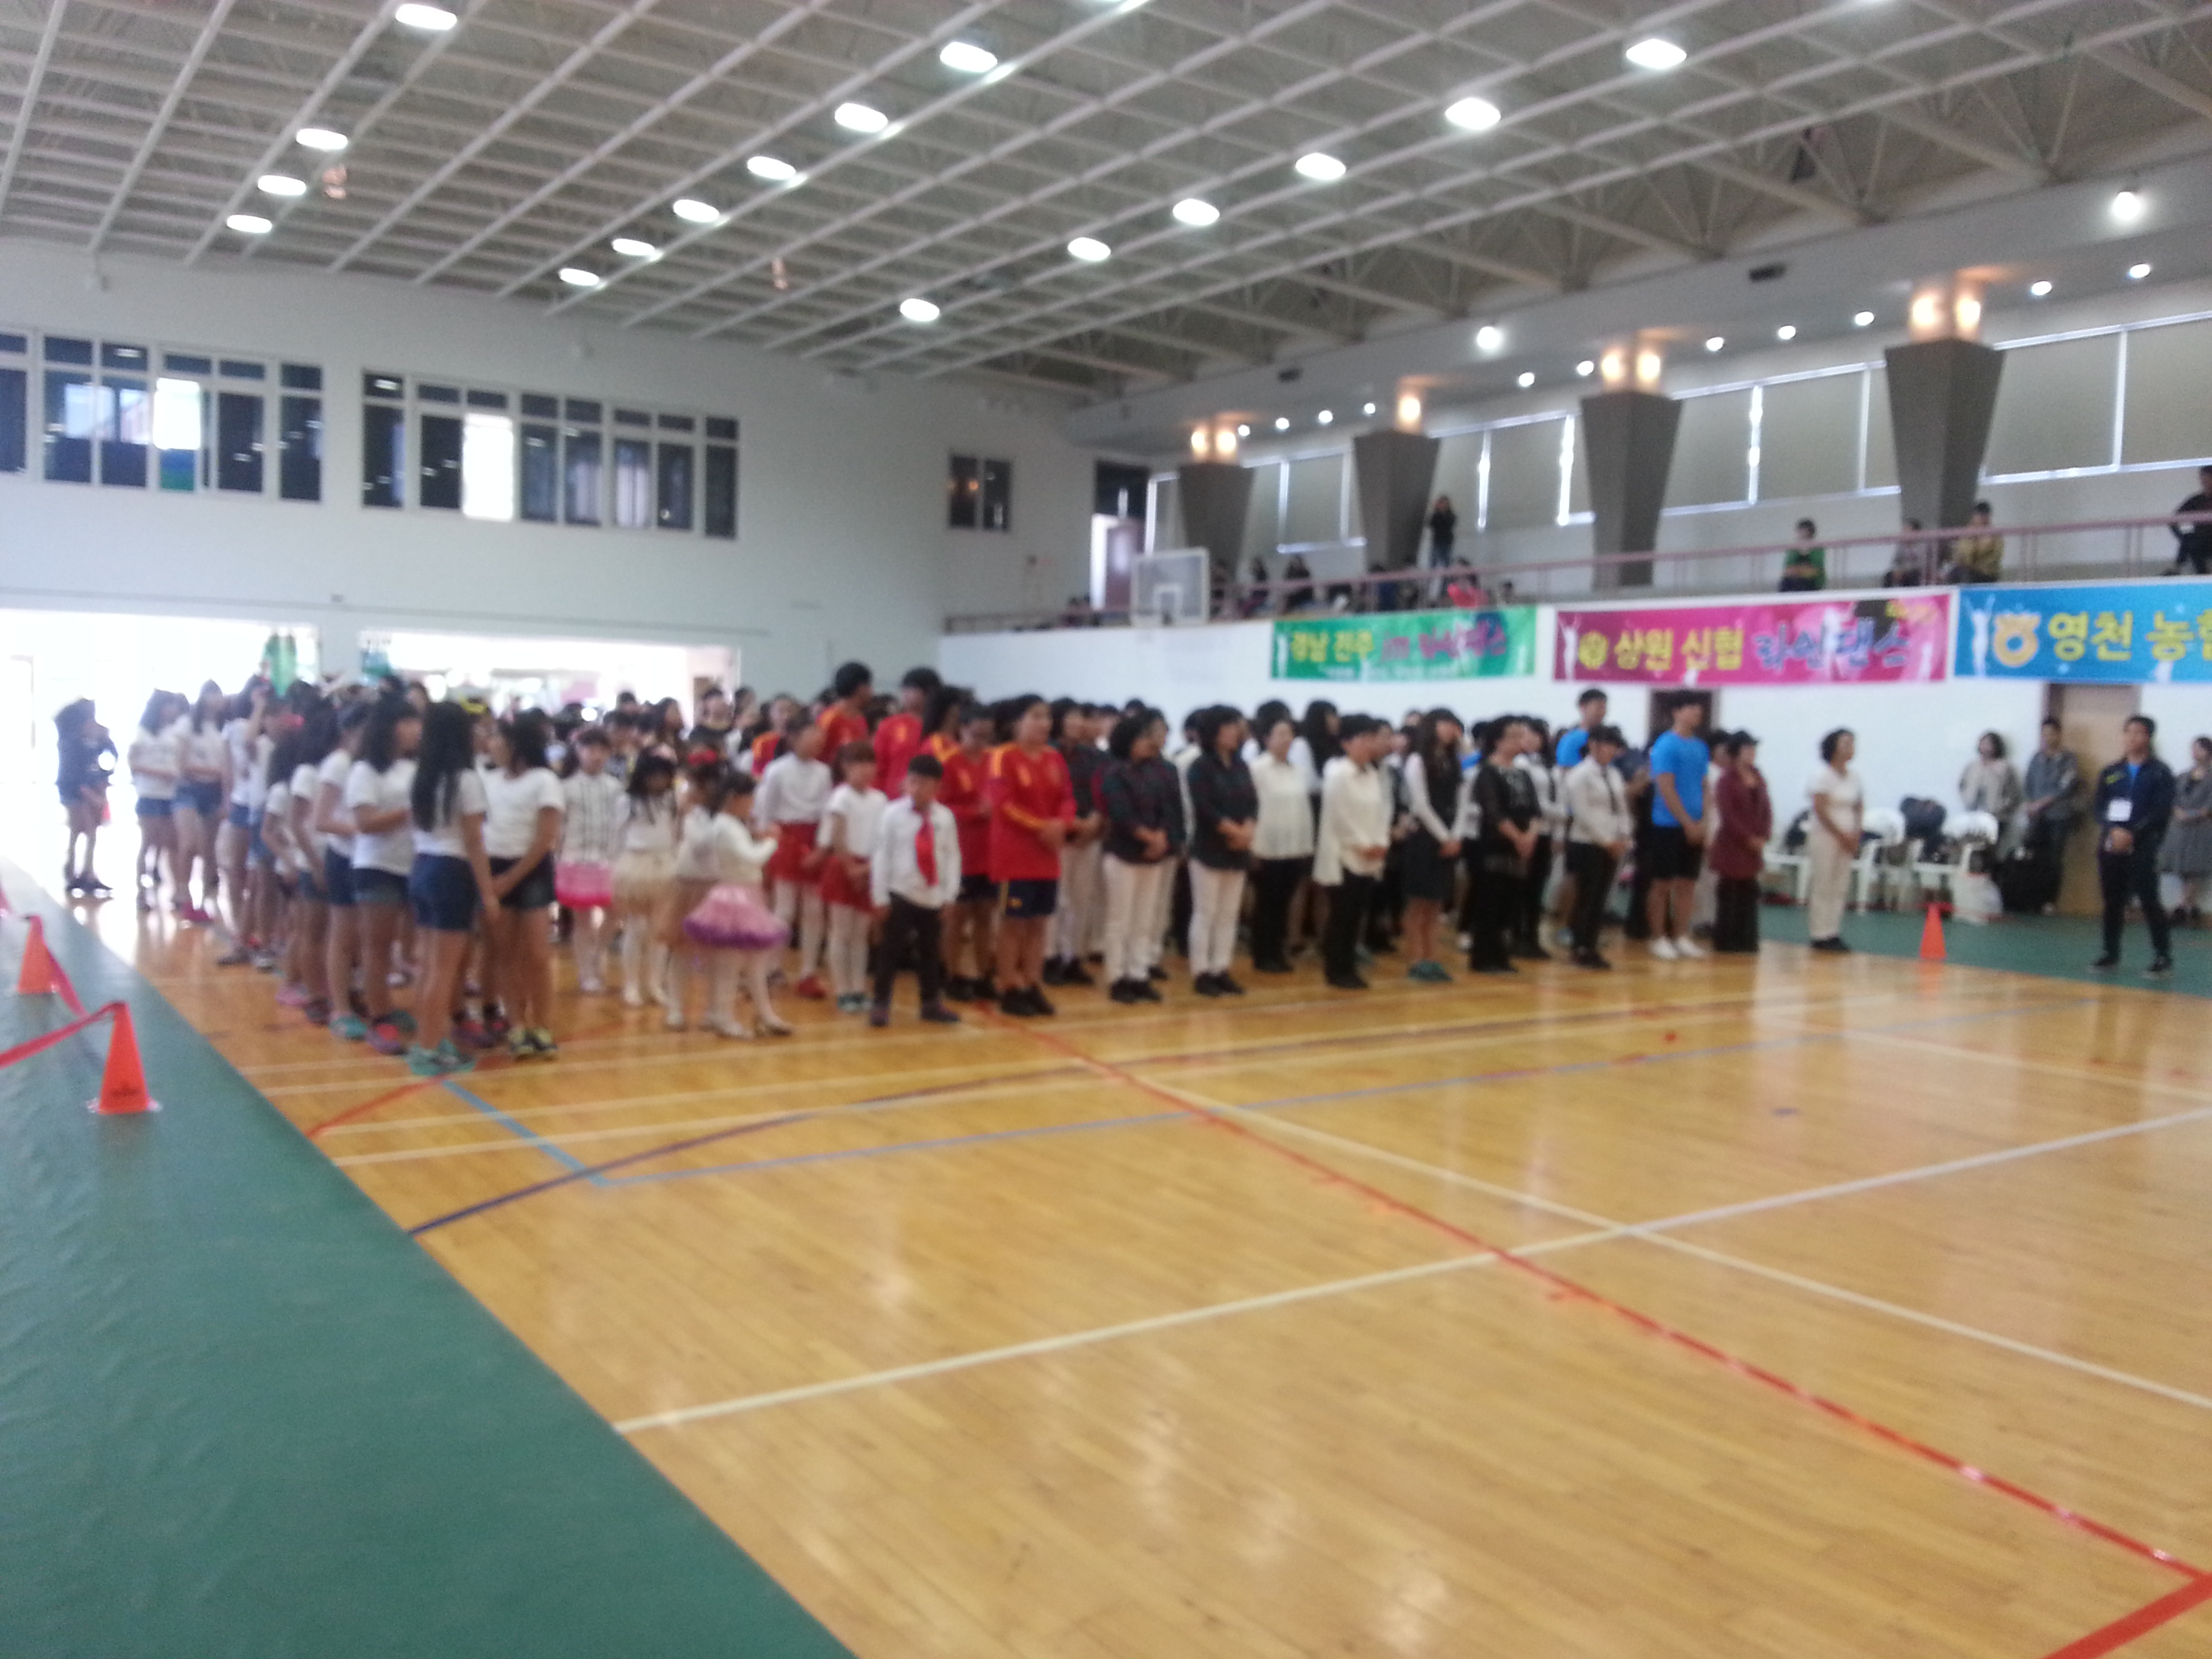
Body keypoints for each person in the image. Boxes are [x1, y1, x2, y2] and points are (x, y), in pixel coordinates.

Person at [404, 701, 501, 1078]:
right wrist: (488, 893)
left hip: (423, 866)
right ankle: (429, 1048)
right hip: (451, 871)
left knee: (430, 965)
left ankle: (429, 1038)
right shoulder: (466, 780)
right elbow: (474, 841)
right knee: (444, 971)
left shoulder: (421, 776)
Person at [676, 769, 790, 1038]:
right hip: (735, 898)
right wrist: (772, 842)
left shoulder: (731, 824)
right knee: (730, 963)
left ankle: (764, 1013)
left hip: (747, 895)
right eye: (749, 798)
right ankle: (723, 1016)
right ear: (734, 798)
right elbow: (752, 858)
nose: (752, 804)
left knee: (755, 962)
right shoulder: (726, 826)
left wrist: (761, 838)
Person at [987, 694, 1078, 1016]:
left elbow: (1067, 798)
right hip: (1015, 855)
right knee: (1013, 923)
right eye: (1036, 716)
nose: (1044, 723)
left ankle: (1032, 983)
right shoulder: (1002, 757)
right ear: (1017, 722)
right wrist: (1044, 827)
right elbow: (1004, 804)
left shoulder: (1054, 757)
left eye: (1047, 717)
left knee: (1040, 923)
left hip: (1047, 855)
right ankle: (1009, 986)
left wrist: (1062, 823)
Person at [483, 711, 565, 1060]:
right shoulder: (489, 780)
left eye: (498, 738)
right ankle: (516, 1024)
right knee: (506, 953)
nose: (492, 744)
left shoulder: (544, 781)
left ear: (516, 744)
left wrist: (510, 878)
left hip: (530, 870)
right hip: (495, 867)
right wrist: (491, 878)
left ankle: (542, 1025)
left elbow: (546, 838)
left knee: (537, 954)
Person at [344, 697, 422, 1054]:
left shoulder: (412, 768)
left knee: (409, 945)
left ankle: (389, 1006)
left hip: (412, 864)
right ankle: (379, 1017)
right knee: (378, 947)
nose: (416, 730)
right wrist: (409, 812)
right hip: (377, 867)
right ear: (390, 727)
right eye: (408, 723)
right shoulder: (365, 771)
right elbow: (365, 823)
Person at [868, 754, 963, 1028]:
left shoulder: (945, 817)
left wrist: (950, 895)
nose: (917, 788)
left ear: (937, 787)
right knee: (890, 951)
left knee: (930, 952)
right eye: (913, 781)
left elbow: (952, 856)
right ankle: (881, 1003)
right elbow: (882, 856)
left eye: (924, 783)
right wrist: (880, 896)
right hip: (900, 891)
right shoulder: (892, 814)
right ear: (906, 782)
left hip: (932, 894)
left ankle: (930, 1002)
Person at [1097, 708, 1182, 1004]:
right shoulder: (1114, 772)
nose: (1150, 742)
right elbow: (1121, 814)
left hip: (1153, 854)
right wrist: (1148, 837)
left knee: (1144, 918)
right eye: (1143, 737)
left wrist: (1161, 836)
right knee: (1120, 919)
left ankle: (1138, 973)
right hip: (1123, 853)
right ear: (1128, 740)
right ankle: (1117, 976)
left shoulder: (1154, 772)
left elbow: (1167, 809)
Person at [2091, 715, 2175, 975]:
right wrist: (2113, 830)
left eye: (2138, 732)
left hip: (2143, 844)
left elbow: (2160, 811)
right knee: (2112, 901)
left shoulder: (2160, 772)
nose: (2132, 737)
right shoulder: (2111, 772)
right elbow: (2099, 807)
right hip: (2112, 843)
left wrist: (2133, 834)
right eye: (2128, 732)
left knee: (2149, 900)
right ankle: (2110, 953)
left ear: (2148, 737)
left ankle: (2162, 956)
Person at [756, 717, 833, 999]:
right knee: (785, 909)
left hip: (813, 838)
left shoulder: (824, 772)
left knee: (814, 910)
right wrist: (768, 843)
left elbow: (827, 812)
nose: (818, 743)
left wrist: (822, 847)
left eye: (820, 739)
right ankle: (772, 967)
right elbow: (766, 812)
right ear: (793, 739)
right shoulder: (776, 770)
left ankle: (808, 972)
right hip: (786, 838)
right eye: (812, 737)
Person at [1314, 715, 1391, 990]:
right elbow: (1339, 816)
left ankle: (1349, 966)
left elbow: (1381, 812)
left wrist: (1380, 841)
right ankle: (1336, 969)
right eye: (1364, 738)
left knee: (1357, 914)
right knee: (1342, 915)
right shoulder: (1338, 773)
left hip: (1370, 853)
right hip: (1344, 855)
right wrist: (1361, 844)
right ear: (1346, 743)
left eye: (1372, 738)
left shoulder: (1372, 774)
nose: (1370, 744)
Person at [1186, 705, 1257, 997]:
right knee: (1206, 912)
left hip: (1238, 849)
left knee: (1229, 914)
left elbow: (1252, 802)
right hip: (1209, 847)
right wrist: (1233, 831)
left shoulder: (1241, 765)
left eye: (1236, 727)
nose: (1236, 732)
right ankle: (1201, 971)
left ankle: (1221, 968)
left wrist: (1248, 829)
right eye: (1229, 727)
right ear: (1214, 732)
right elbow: (1204, 807)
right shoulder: (1200, 766)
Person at [933, 695, 1000, 1002]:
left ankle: (984, 974)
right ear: (962, 730)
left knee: (985, 914)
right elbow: (939, 807)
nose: (982, 742)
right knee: (957, 917)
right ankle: (950, 973)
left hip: (989, 852)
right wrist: (975, 812)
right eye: (976, 735)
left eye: (987, 736)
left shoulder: (995, 761)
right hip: (959, 852)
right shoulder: (948, 762)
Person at [314, 701, 370, 1036]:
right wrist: (363, 830)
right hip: (344, 857)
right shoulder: (338, 764)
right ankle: (340, 1006)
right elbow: (321, 819)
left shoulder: (371, 764)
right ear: (349, 732)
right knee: (343, 933)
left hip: (369, 858)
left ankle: (358, 994)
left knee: (365, 936)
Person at [821, 741, 888, 1015]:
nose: (866, 769)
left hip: (869, 866)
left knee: (860, 935)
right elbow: (838, 837)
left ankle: (858, 988)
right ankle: (842, 990)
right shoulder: (841, 796)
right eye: (859, 764)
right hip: (844, 865)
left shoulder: (880, 799)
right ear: (846, 767)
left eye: (870, 763)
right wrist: (851, 868)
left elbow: (883, 838)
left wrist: (870, 868)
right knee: (841, 931)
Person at [1467, 717, 1538, 974]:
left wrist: (1530, 836)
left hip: (1520, 846)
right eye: (1514, 736)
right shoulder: (1487, 772)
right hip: (1494, 845)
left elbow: (1534, 810)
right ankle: (1484, 957)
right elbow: (1493, 812)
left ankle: (1501, 955)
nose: (1520, 741)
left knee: (1510, 903)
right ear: (1498, 741)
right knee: (1490, 901)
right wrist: (1518, 837)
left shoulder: (1523, 773)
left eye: (1522, 735)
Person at [1399, 710, 1464, 983]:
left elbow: (1462, 801)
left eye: (1453, 725)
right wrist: (1444, 837)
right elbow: (1420, 805)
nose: (1450, 730)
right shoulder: (1417, 760)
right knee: (1419, 902)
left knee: (1436, 902)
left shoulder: (1453, 761)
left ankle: (1433, 957)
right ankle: (1416, 959)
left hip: (1449, 835)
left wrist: (1456, 835)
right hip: (1425, 837)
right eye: (1444, 723)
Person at [1248, 712, 1315, 974]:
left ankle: (1276, 951)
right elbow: (1252, 810)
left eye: (1290, 734)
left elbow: (1303, 810)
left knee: (1283, 903)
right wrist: (1253, 847)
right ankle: (1263, 954)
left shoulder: (1297, 771)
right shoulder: (1258, 769)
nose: (1287, 739)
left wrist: (1306, 845)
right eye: (1280, 734)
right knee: (1267, 903)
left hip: (1293, 847)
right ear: (1267, 739)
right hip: (1267, 848)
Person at [1645, 695, 1711, 959]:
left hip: (1695, 824)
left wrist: (1703, 821)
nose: (1697, 713)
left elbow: (1705, 786)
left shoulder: (1700, 747)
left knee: (1687, 883)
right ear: (1676, 712)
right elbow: (1666, 787)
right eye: (1691, 708)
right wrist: (1686, 822)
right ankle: (1658, 937)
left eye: (1699, 709)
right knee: (1662, 884)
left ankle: (1681, 935)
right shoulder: (1666, 745)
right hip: (1667, 824)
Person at [1044, 701, 1105, 988]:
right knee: (1058, 900)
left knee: (1082, 900)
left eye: (1081, 717)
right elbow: (1049, 797)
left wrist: (1093, 824)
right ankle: (1050, 956)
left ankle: (1073, 957)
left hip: (1088, 838)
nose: (1078, 722)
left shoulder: (1094, 757)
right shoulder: (1048, 754)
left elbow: (1102, 794)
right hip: (1059, 837)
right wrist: (1072, 825)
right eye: (1072, 717)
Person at [611, 752, 680, 1006]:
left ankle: (655, 984)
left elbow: (675, 833)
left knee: (659, 930)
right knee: (636, 927)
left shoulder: (672, 800)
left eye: (664, 776)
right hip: (635, 864)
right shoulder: (627, 801)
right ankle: (631, 985)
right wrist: (615, 867)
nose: (659, 781)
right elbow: (617, 836)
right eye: (654, 776)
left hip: (664, 864)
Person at [556, 727, 621, 994]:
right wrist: (557, 858)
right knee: (582, 920)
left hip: (609, 860)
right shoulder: (566, 787)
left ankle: (597, 956)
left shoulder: (616, 787)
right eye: (590, 749)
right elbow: (559, 828)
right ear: (578, 751)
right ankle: (586, 973)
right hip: (576, 859)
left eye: (602, 750)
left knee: (616, 912)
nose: (596, 755)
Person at [1561, 724, 1631, 969]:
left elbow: (1621, 807)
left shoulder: (1613, 774)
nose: (1612, 751)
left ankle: (1591, 945)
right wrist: (1606, 841)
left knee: (1601, 897)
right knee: (1586, 897)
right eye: (1608, 745)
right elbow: (1581, 813)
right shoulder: (1580, 774)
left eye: (1614, 746)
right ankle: (1579, 947)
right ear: (1594, 745)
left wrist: (1625, 835)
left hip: (1612, 842)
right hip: (1587, 842)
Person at [173, 680, 230, 925]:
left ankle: (208, 895)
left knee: (210, 847)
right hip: (188, 789)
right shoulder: (187, 725)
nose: (217, 700)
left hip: (214, 790)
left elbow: (228, 765)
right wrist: (216, 771)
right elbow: (181, 765)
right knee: (189, 843)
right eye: (212, 694)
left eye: (219, 694)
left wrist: (225, 792)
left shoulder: (223, 726)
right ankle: (183, 893)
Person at [1710, 733, 1773, 954]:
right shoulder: (1726, 780)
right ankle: (1727, 940)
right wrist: (1747, 838)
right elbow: (1728, 815)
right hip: (1733, 843)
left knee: (1749, 890)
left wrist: (1764, 835)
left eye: (1753, 749)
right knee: (1730, 890)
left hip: (1754, 844)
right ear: (1736, 752)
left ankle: (1746, 939)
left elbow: (1767, 809)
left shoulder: (1758, 777)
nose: (1752, 753)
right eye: (1748, 749)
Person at [1806, 728, 1862, 954]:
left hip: (1848, 836)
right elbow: (1820, 808)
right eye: (1845, 743)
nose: (1850, 748)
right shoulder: (1822, 775)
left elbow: (1858, 806)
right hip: (1825, 836)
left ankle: (1833, 931)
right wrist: (1840, 834)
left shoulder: (1855, 777)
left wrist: (1856, 832)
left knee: (1840, 885)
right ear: (1833, 747)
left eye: (1852, 744)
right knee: (1824, 883)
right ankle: (1819, 934)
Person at [128, 690, 184, 910]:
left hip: (171, 795)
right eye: (169, 705)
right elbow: (133, 763)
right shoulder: (142, 733)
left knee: (171, 843)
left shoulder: (174, 732)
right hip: (149, 793)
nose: (173, 710)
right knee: (148, 842)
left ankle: (177, 891)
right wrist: (158, 773)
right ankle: (141, 892)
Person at [2020, 718, 2081, 913]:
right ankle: (2031, 899)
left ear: (2059, 734)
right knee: (2034, 856)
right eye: (2044, 734)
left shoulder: (2069, 759)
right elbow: (2028, 783)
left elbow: (2066, 786)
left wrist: (2042, 803)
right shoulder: (2036, 758)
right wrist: (2029, 803)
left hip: (2059, 815)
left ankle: (2049, 901)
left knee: (2055, 859)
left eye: (2051, 733)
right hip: (2036, 817)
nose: (2047, 737)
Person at [56, 698, 115, 897]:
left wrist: (105, 740)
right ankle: (78, 873)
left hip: (89, 789)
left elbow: (107, 760)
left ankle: (84, 872)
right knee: (84, 831)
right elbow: (73, 773)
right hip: (76, 791)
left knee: (85, 831)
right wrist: (89, 793)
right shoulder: (70, 742)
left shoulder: (91, 740)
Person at [2157, 736, 2212, 922]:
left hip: (2201, 828)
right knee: (2181, 866)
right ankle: (2191, 907)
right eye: (2193, 749)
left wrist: (2192, 815)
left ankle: (2181, 906)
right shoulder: (2183, 775)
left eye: (2200, 749)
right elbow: (2172, 796)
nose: (2195, 753)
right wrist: (2177, 811)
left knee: (2195, 866)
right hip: (2179, 828)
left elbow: (2209, 806)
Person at [870, 666, 940, 793]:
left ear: (928, 693)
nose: (905, 694)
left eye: (911, 689)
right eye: (904, 689)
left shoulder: (939, 728)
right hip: (892, 797)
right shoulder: (889, 725)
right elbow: (878, 766)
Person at [1959, 731, 2024, 840]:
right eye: (1983, 743)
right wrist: (1967, 799)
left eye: (1989, 744)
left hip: (1998, 817)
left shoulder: (2005, 767)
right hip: (1973, 815)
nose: (1985, 747)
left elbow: (2014, 792)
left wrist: (2003, 806)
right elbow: (1962, 785)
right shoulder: (1973, 766)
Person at [816, 660, 874, 756]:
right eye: (869, 686)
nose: (872, 691)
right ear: (861, 688)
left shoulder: (861, 719)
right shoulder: (829, 719)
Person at [1944, 501, 2003, 583]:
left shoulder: (1995, 535)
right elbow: (1961, 553)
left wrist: (1977, 566)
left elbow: (1994, 558)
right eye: (1979, 515)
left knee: (1967, 575)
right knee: (1952, 574)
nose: (1982, 518)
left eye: (1985, 515)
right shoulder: (1968, 532)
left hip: (1987, 573)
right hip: (1967, 568)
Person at [2172, 465, 2212, 575]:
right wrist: (2182, 536)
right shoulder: (2196, 500)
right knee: (2190, 540)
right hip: (2201, 541)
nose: (2205, 481)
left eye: (2208, 477)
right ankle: (2202, 575)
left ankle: (2177, 568)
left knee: (2191, 541)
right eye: (2203, 477)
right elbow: (2175, 519)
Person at [1555, 689, 1607, 768]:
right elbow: (1566, 770)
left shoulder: (1608, 738)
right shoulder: (1571, 740)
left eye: (1604, 708)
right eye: (1598, 708)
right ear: (1583, 707)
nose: (1602, 713)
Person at [1779, 519, 1826, 591]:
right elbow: (1788, 569)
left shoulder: (1817, 549)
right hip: (1793, 580)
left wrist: (1799, 571)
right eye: (1800, 531)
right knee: (1786, 582)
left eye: (1805, 531)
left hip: (1811, 581)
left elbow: (1815, 570)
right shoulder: (1793, 549)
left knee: (1802, 583)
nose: (1802, 534)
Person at [1883, 519, 1933, 587]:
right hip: (1903, 570)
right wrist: (1897, 570)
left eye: (1907, 530)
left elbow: (1923, 563)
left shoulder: (1923, 545)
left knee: (1913, 576)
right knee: (1889, 576)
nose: (1904, 533)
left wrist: (1906, 570)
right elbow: (1896, 560)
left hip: (1917, 571)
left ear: (1915, 532)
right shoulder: (1901, 545)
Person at [1427, 495, 1457, 569]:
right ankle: (1432, 574)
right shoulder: (1436, 515)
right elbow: (1431, 524)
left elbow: (1450, 524)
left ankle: (1447, 575)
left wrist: (1442, 514)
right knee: (1433, 560)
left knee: (1447, 561)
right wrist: (1437, 512)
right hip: (1437, 540)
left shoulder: (1451, 515)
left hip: (1447, 540)